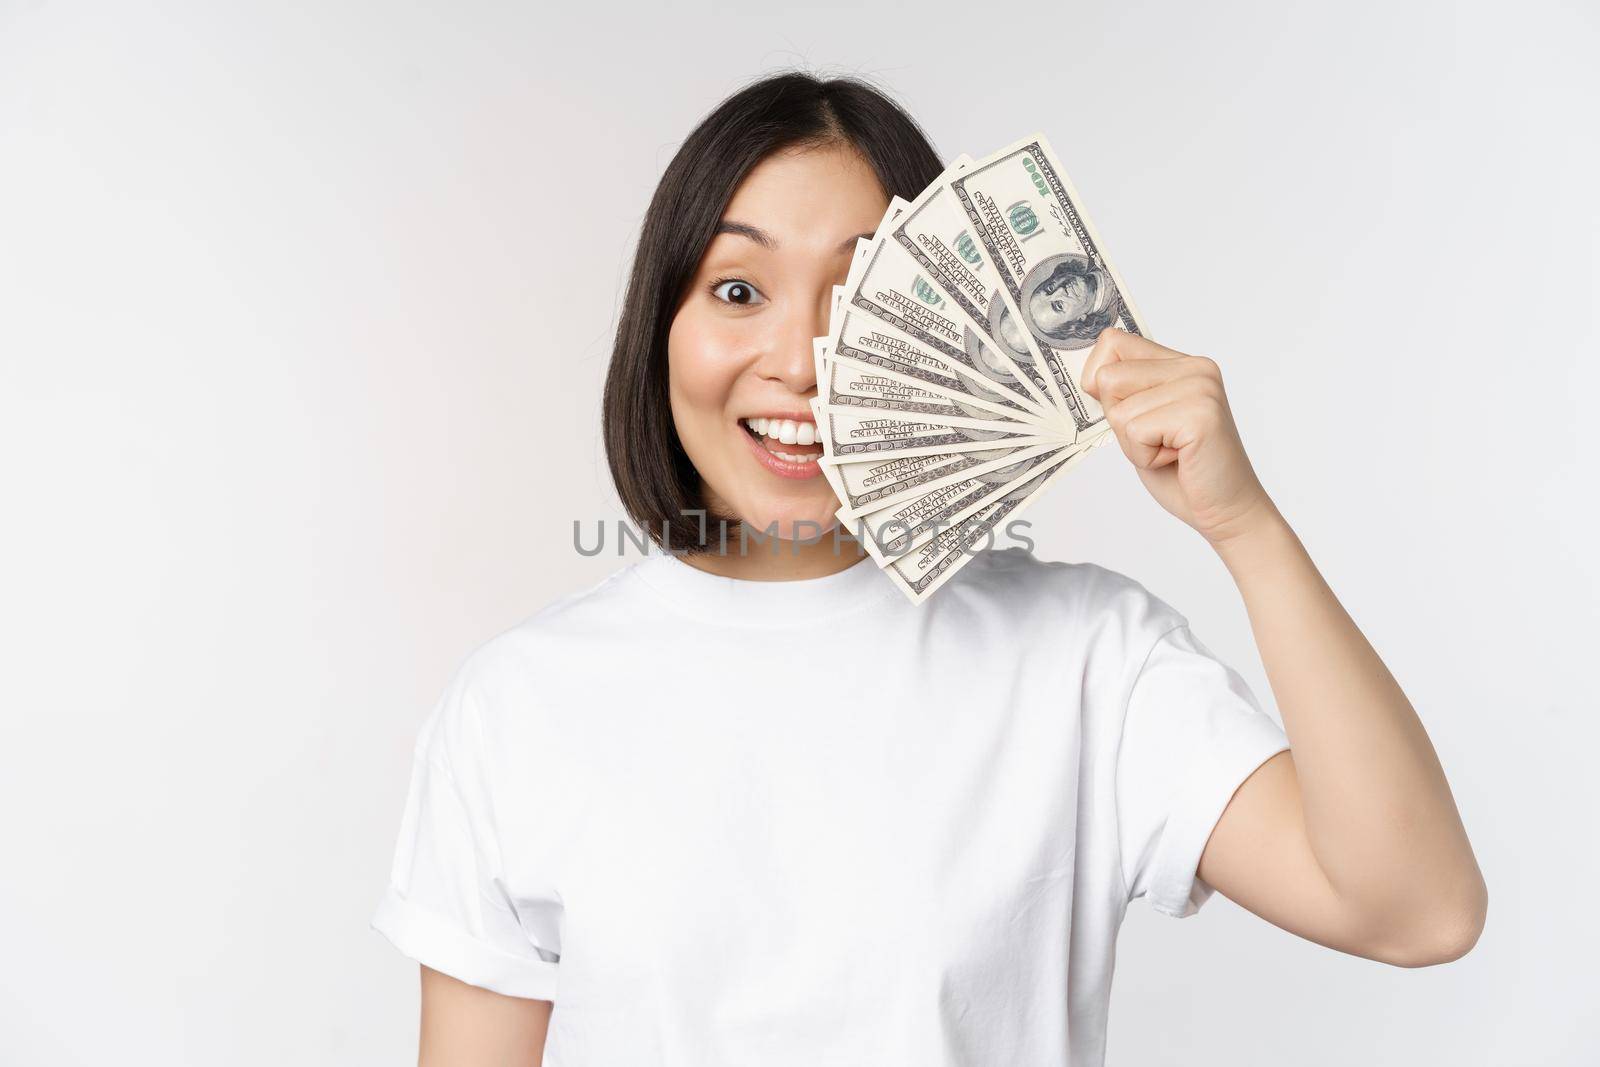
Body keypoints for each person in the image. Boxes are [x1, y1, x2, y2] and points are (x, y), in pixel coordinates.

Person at [369, 71, 1486, 1066]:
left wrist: (1245, 528)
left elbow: (1416, 909)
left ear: (943, 326)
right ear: (659, 325)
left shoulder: (1086, 658)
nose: (800, 362)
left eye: (856, 297)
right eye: (738, 289)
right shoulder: (518, 703)